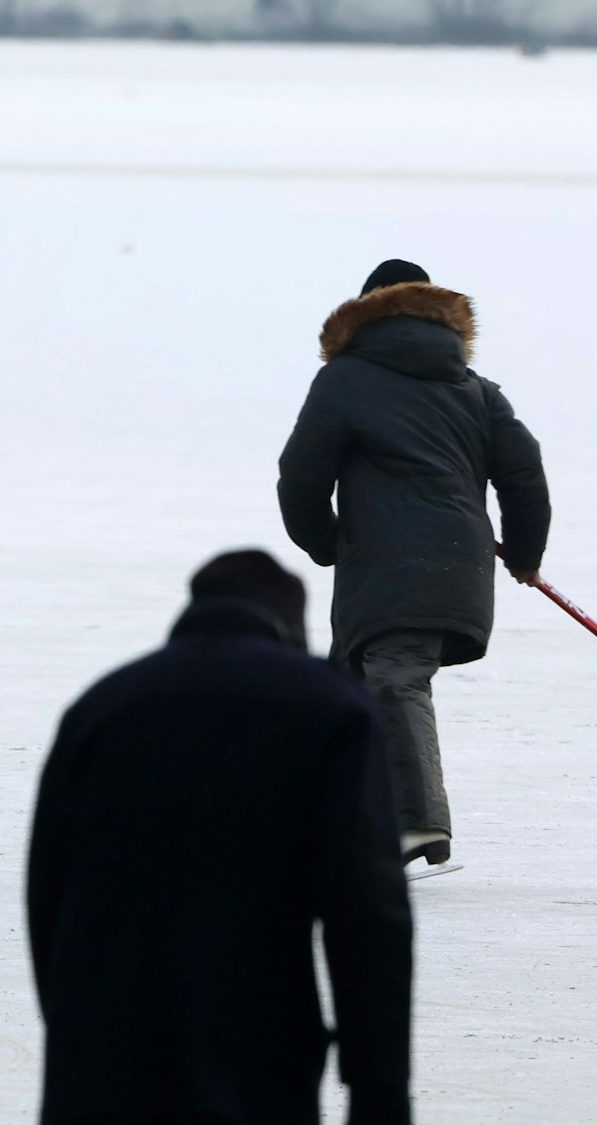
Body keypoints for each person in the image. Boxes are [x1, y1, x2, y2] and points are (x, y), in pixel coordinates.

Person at [28, 550, 413, 1125]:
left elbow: (47, 892)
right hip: (258, 1057)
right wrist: (379, 1089)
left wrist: (73, 1029)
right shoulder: (329, 707)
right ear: (291, 625)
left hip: (101, 1065)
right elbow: (366, 910)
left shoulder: (104, 705)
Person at [279, 259, 550, 874]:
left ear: (365, 313)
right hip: (456, 562)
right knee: (346, 689)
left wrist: (324, 541)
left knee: (395, 676)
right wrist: (524, 553)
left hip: (385, 565)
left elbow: (300, 476)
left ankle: (414, 822)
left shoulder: (344, 380)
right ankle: (335, 827)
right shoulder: (476, 391)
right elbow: (524, 475)